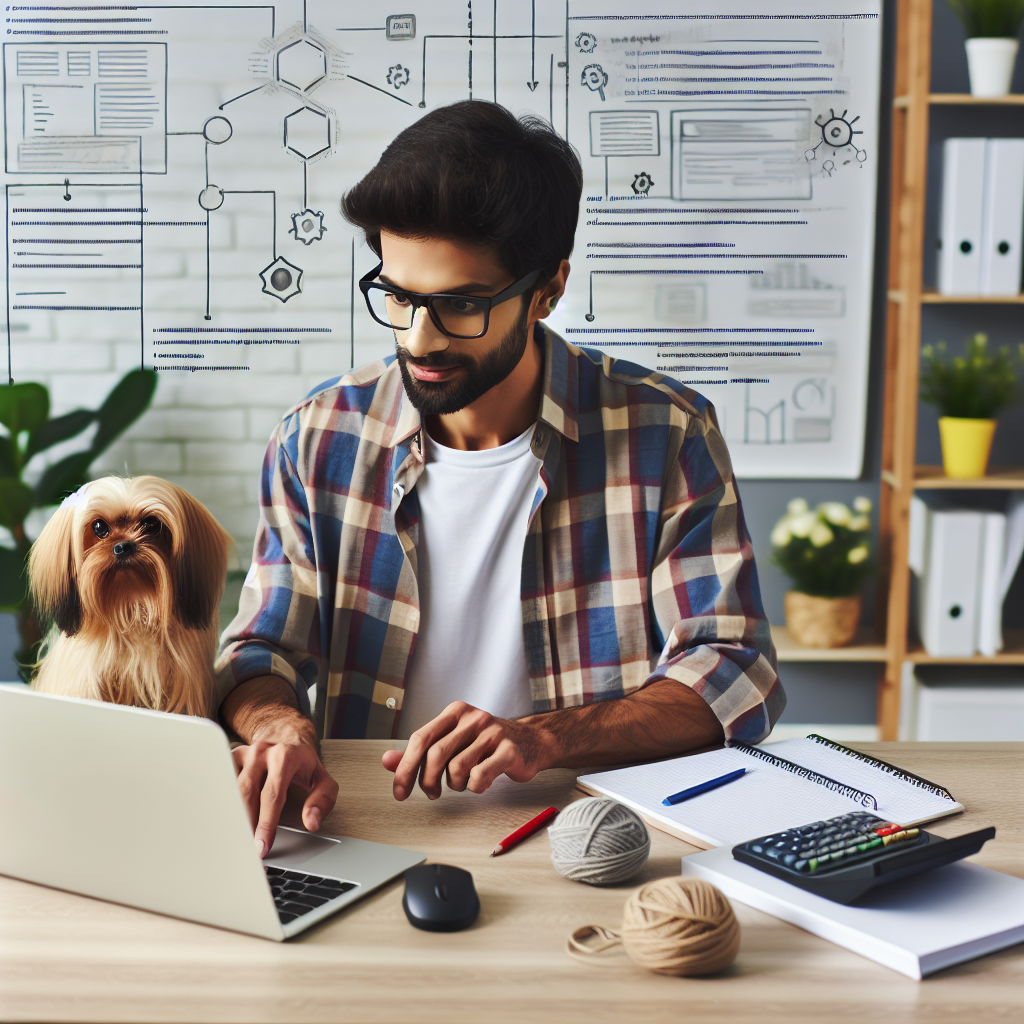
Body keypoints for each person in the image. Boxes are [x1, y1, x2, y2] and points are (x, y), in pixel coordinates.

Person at [216, 101, 785, 859]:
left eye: (461, 305)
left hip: (591, 836)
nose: (419, 337)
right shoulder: (319, 437)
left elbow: (733, 669)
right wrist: (280, 726)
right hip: (364, 834)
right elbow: (260, 651)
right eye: (399, 295)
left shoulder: (666, 432)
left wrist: (545, 737)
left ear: (547, 289)